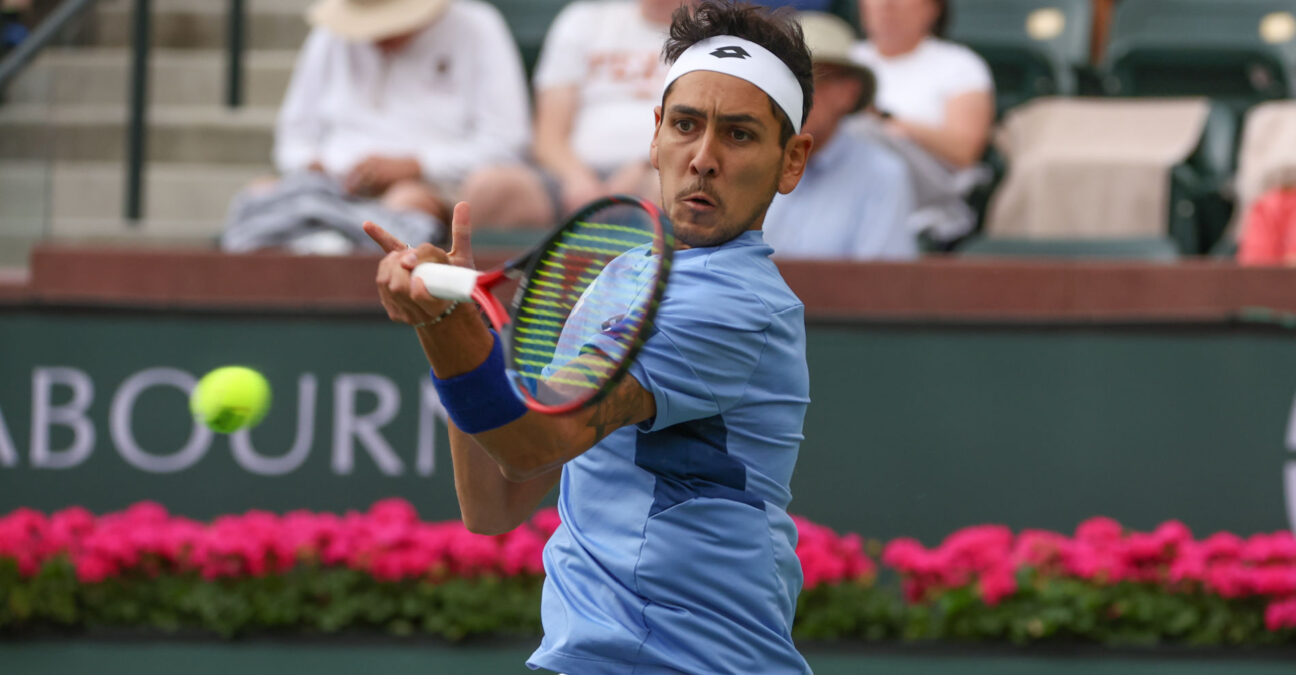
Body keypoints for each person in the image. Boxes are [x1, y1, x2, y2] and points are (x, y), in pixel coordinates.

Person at [363, 2, 816, 672]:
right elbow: (495, 498)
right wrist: (462, 327)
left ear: (791, 161)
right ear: (656, 134)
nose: (704, 158)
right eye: (686, 125)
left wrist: (445, 323)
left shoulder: (732, 305)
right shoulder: (623, 277)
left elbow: (536, 438)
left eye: (740, 135)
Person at [224, 0, 530, 254]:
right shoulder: (328, 37)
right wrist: (315, 165)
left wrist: (416, 165)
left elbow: (505, 140)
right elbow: (293, 136)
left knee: (407, 200)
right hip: (331, 185)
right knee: (261, 193)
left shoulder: (477, 27)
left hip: (436, 186)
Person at [461, 0, 689, 228]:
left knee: (671, 188)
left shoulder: (711, 33)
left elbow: (697, 129)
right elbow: (548, 136)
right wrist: (577, 180)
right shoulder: (583, 21)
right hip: (567, 178)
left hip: (656, 169)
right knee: (489, 186)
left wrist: (646, 165)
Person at [763, 11, 916, 260]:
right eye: (784, 79)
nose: (795, 94)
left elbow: (883, 287)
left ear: (849, 92)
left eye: (811, 80)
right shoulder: (744, 160)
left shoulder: (883, 174)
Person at [851, 0, 993, 169]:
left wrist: (883, 120)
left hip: (926, 185)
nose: (886, 4)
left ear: (933, 8)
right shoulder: (843, 58)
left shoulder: (960, 65)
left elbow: (965, 151)